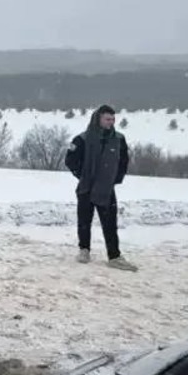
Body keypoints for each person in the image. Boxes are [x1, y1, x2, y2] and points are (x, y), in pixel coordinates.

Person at [65, 104, 136, 271]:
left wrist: (115, 179)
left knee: (110, 223)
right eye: (107, 119)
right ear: (98, 119)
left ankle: (114, 256)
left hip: (106, 188)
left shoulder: (119, 139)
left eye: (112, 119)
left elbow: (123, 161)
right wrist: (82, 175)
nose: (110, 122)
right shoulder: (82, 139)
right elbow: (70, 160)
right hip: (86, 187)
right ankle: (84, 250)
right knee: (84, 221)